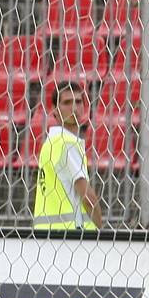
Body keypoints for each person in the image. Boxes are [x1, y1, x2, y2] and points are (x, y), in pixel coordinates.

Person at [33, 81, 103, 230]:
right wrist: (102, 233)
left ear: (85, 107)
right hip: (69, 235)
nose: (74, 107)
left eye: (78, 101)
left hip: (45, 233)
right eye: (67, 102)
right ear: (55, 110)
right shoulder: (67, 143)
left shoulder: (50, 143)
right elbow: (87, 196)